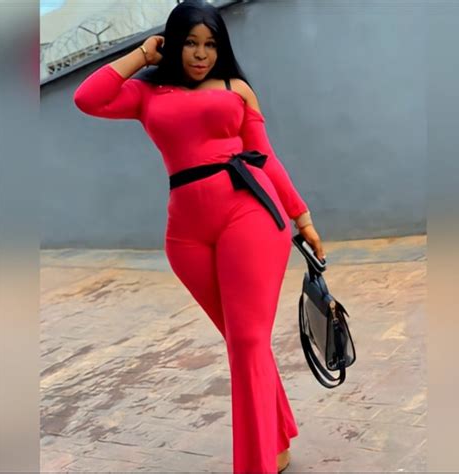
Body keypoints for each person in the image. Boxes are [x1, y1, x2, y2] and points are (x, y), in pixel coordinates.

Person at [73, 1, 325, 472]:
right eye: (190, 42)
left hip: (249, 213)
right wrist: (142, 56)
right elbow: (88, 98)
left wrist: (302, 217)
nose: (201, 54)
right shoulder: (148, 94)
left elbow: (266, 157)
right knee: (242, 341)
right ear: (172, 43)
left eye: (210, 44)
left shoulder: (236, 89)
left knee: (247, 341)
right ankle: (276, 436)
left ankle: (256, 463)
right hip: (186, 235)